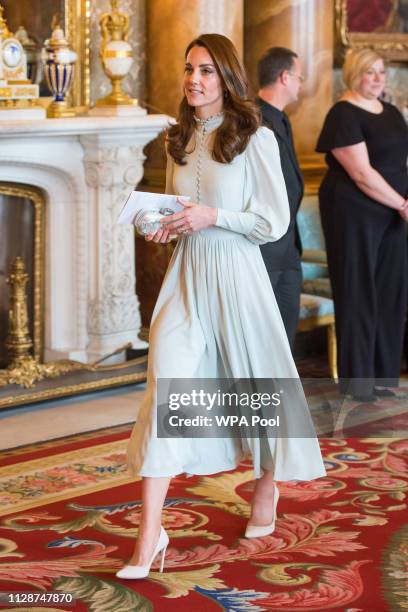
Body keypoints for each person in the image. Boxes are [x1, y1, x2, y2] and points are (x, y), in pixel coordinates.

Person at [116, 33, 326, 581]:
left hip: (239, 276)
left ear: (226, 76)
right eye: (189, 69)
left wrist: (215, 217)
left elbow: (270, 222)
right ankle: (149, 536)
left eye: (206, 70)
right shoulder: (176, 138)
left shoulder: (254, 137)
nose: (194, 80)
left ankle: (265, 484)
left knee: (254, 386)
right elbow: (176, 209)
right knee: (168, 390)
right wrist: (162, 226)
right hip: (187, 279)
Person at [316, 48, 408, 402]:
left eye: (381, 71)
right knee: (359, 293)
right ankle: (359, 383)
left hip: (391, 214)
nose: (378, 78)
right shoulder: (342, 114)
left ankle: (383, 378)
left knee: (391, 292)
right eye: (370, 72)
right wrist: (401, 203)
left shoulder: (393, 111)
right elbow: (361, 173)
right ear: (354, 74)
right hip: (353, 213)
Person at [256, 47, 304, 348]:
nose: (302, 84)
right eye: (299, 77)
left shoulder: (283, 120)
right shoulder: (253, 121)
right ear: (285, 77)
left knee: (283, 342)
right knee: (260, 340)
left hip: (289, 247)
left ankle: (278, 395)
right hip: (264, 250)